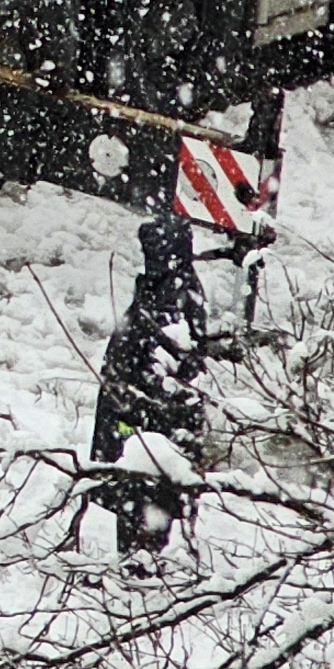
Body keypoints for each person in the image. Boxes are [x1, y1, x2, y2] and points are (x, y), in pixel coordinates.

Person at [90, 213, 211, 560]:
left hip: (147, 431)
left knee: (143, 512)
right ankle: (141, 562)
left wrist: (126, 415)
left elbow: (161, 372)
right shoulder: (178, 291)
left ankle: (140, 567)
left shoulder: (169, 302)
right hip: (149, 430)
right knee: (144, 508)